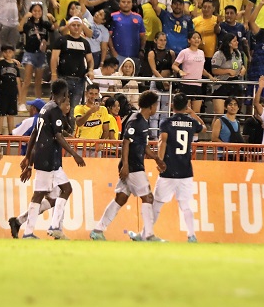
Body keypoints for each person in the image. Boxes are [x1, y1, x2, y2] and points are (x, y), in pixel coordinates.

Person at [14, 79, 87, 240]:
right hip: (47, 158)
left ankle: (53, 227)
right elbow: (58, 136)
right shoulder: (55, 110)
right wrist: (74, 154)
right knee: (39, 194)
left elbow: (34, 133)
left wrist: (28, 158)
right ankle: (29, 232)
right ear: (65, 94)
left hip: (49, 159)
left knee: (65, 190)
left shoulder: (45, 108)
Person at [91, 90, 162, 241]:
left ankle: (98, 230)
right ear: (151, 106)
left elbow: (144, 146)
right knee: (148, 198)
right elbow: (126, 142)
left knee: (120, 199)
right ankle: (147, 235)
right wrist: (125, 165)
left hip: (133, 166)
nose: (157, 108)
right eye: (156, 105)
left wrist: (156, 158)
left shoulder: (144, 121)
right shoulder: (135, 121)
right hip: (133, 167)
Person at [149, 93, 205, 243]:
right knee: (186, 205)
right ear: (186, 106)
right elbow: (204, 128)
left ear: (172, 105)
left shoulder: (166, 123)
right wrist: (192, 113)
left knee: (158, 203)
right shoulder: (192, 123)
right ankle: (191, 235)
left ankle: (146, 233)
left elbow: (163, 142)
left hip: (169, 169)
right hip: (185, 170)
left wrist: (159, 161)